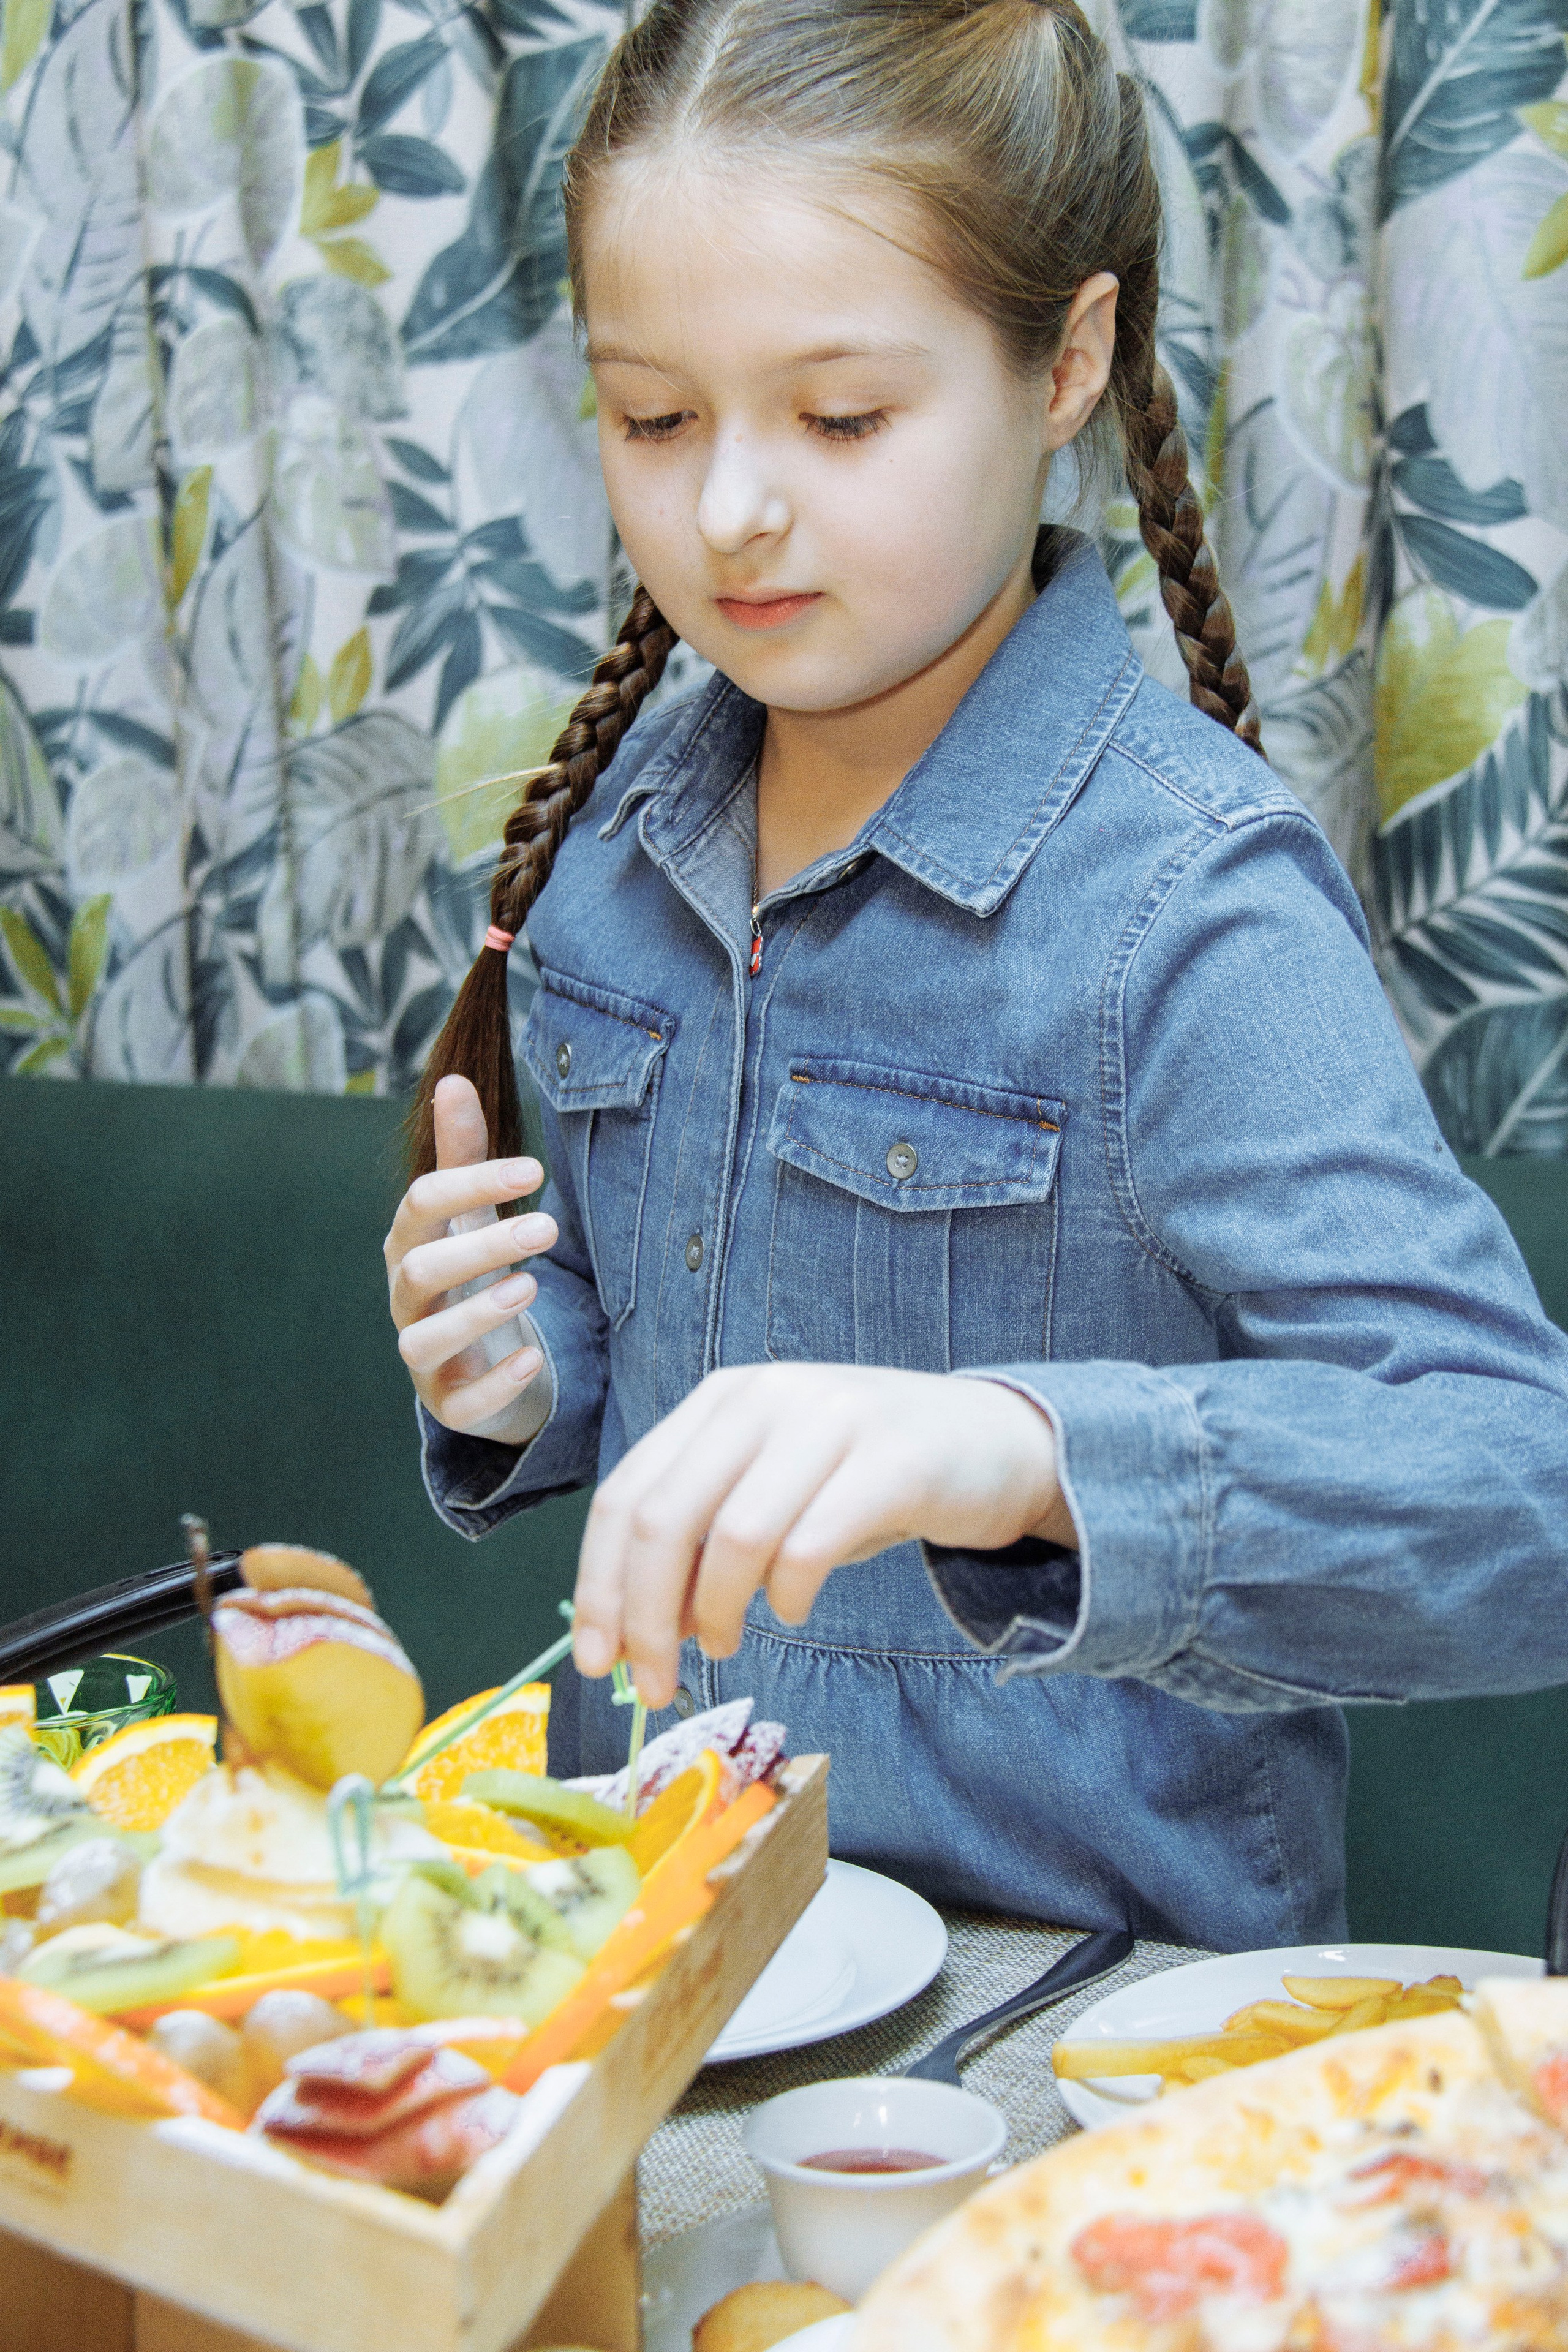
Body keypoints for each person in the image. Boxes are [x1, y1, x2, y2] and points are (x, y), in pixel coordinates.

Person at [382, 0, 1568, 1950]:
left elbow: (1517, 1501)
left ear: (1067, 361)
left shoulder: (1187, 906)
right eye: (656, 416)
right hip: (657, 1980)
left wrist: (1014, 1452)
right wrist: (523, 1379)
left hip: (1076, 2047)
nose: (732, 506)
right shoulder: (609, 858)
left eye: (840, 417)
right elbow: (643, 1360)